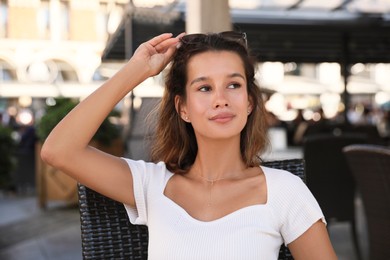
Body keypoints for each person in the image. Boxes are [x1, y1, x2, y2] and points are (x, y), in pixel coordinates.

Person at [41, 32, 337, 259]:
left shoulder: (285, 191)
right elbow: (59, 150)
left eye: (233, 85)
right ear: (182, 108)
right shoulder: (151, 184)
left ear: (249, 102)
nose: (221, 98)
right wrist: (137, 71)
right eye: (204, 88)